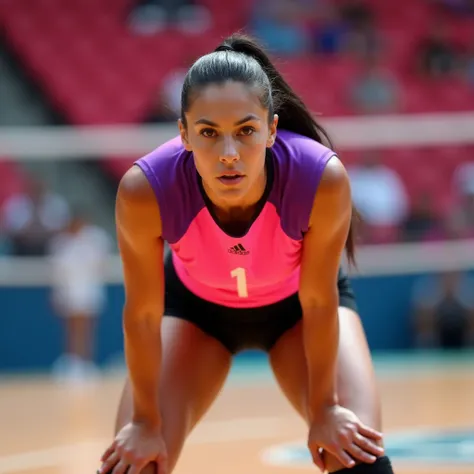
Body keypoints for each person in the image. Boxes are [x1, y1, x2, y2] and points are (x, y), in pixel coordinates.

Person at [99, 34, 394, 474]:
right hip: (197, 314)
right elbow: (142, 315)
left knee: (357, 458)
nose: (229, 154)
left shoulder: (320, 177)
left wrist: (325, 409)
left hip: (299, 310)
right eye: (208, 133)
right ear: (183, 134)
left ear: (272, 128)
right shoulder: (145, 190)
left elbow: (318, 300)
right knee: (135, 463)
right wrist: (144, 421)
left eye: (246, 130)